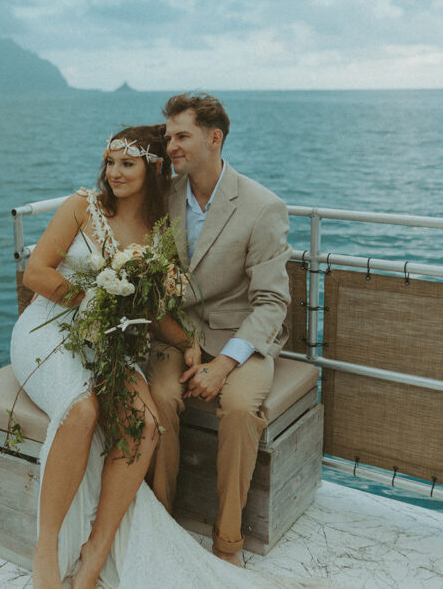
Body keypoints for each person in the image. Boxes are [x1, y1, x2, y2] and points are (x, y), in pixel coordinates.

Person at [10, 125, 294, 589]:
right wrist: (93, 299)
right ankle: (46, 552)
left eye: (128, 163)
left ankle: (94, 554)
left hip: (108, 340)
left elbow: (146, 310)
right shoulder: (83, 206)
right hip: (49, 332)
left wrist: (185, 342)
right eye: (109, 162)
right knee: (82, 411)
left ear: (153, 167)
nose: (114, 173)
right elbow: (36, 274)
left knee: (144, 423)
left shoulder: (159, 233)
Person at [146, 92, 292, 567]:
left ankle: (227, 543)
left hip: (241, 337)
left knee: (238, 411)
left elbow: (272, 302)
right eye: (168, 137)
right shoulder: (163, 198)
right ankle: (161, 521)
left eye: (182, 136)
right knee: (160, 397)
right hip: (179, 332)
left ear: (214, 138)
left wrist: (225, 363)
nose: (171, 147)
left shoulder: (262, 206)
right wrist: (183, 342)